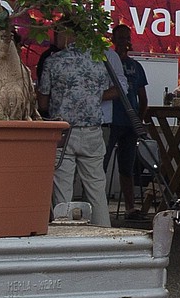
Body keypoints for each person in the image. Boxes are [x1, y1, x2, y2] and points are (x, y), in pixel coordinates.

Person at [37, 34, 117, 222]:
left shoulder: (54, 61)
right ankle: (105, 235)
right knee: (96, 188)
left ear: (67, 33)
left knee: (62, 188)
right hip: (93, 130)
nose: (54, 36)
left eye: (57, 32)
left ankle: (65, 235)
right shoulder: (99, 60)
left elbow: (42, 102)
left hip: (64, 131)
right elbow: (110, 89)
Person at [104, 23, 151, 221]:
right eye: (120, 38)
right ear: (113, 40)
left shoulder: (136, 66)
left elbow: (143, 96)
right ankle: (97, 205)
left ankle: (130, 208)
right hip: (111, 120)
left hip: (130, 122)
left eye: (126, 38)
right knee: (101, 163)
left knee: (128, 165)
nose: (124, 41)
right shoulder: (107, 61)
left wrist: (139, 118)